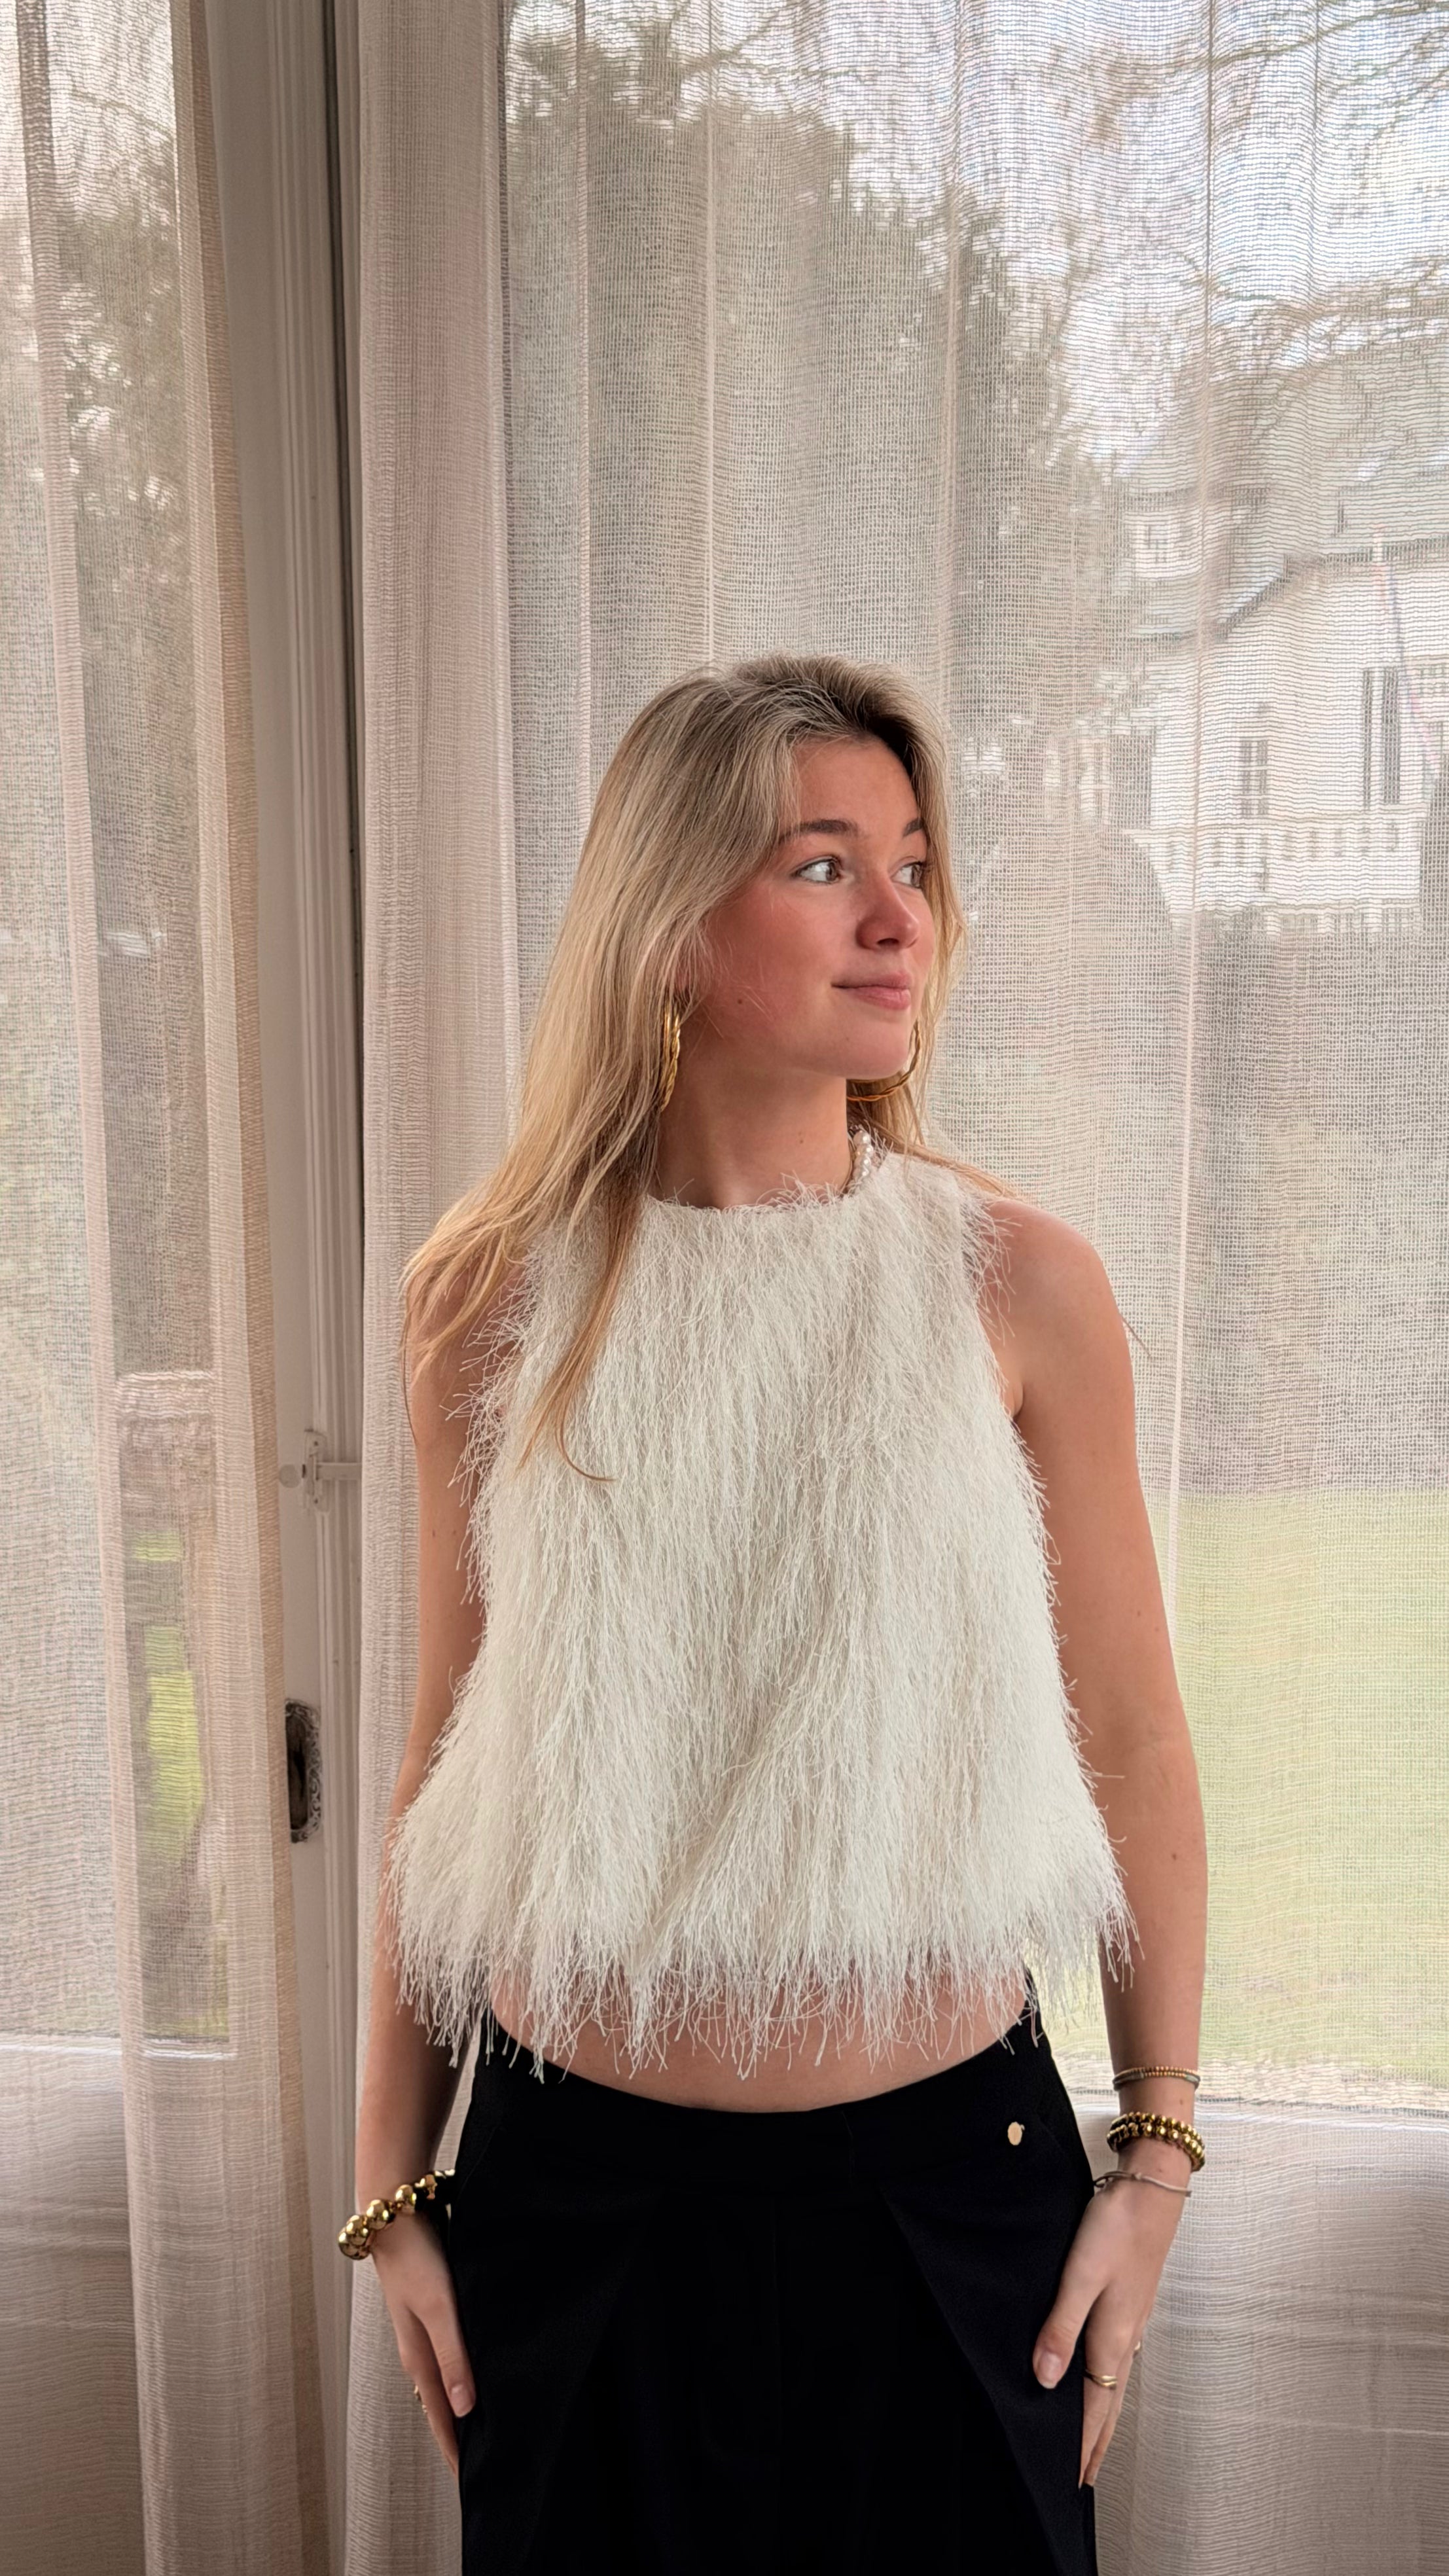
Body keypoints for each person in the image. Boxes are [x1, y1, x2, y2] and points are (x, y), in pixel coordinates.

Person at [346, 653, 1209, 2573]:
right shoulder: (487, 1298)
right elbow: (447, 1756)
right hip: (571, 2206)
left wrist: (1156, 2158)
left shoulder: (1017, 1283)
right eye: (825, 865)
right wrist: (389, 2185)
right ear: (665, 922)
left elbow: (1136, 1743)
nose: (901, 917)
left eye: (913, 862)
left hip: (949, 2204)